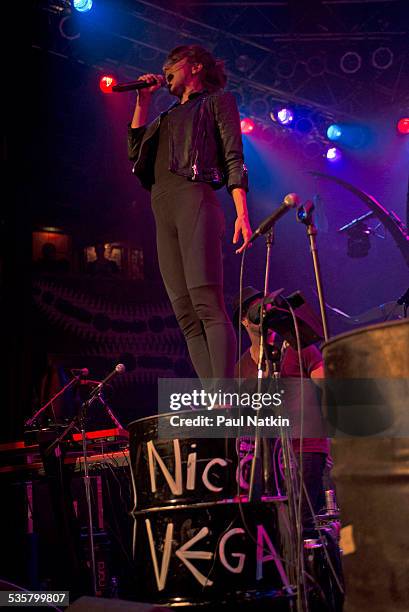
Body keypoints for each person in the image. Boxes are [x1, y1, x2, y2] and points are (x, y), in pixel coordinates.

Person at [127, 45, 252, 380]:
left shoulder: (217, 102)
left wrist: (242, 213)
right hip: (162, 207)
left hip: (193, 198)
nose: (166, 68)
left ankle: (224, 393)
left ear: (195, 67)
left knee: (206, 302)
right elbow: (134, 152)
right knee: (184, 312)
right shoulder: (164, 117)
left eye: (173, 63)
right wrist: (143, 99)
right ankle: (214, 399)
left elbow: (234, 158)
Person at [232, 286, 330, 533]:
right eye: (252, 310)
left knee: (302, 524)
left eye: (262, 305)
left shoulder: (299, 345)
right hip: (266, 456)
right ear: (244, 320)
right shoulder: (240, 368)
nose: (260, 312)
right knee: (274, 528)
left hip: (304, 446)